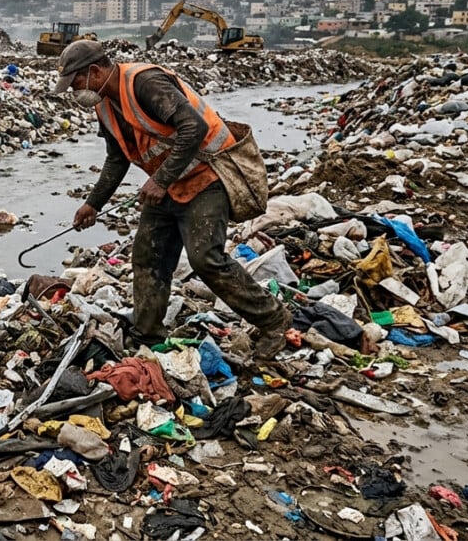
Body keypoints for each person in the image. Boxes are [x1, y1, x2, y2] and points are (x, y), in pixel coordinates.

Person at [53, 40, 291, 359]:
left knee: (206, 257)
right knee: (147, 256)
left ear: (94, 71)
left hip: (206, 177)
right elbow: (117, 158)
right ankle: (148, 335)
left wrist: (160, 179)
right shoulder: (105, 105)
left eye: (76, 83)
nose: (74, 92)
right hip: (168, 185)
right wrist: (93, 203)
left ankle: (274, 320)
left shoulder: (144, 83)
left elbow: (194, 127)